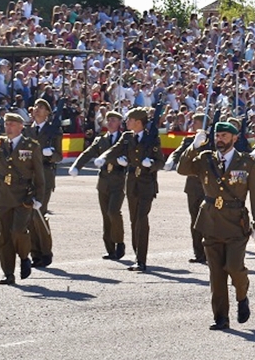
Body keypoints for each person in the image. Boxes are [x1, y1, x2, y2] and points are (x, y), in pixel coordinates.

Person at [176, 122, 255, 330]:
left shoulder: (247, 162)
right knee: (216, 274)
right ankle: (221, 317)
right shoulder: (205, 159)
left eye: (224, 136)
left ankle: (242, 295)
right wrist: (193, 146)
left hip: (236, 223)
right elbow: (182, 169)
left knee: (234, 267)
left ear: (234, 139)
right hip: (211, 221)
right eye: (218, 136)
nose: (220, 140)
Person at [0, 112, 44, 285]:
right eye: (6, 124)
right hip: (3, 195)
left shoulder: (31, 146)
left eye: (12, 124)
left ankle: (24, 256)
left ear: (21, 127)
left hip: (23, 195)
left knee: (18, 231)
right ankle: (8, 273)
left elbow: (39, 175)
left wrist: (39, 198)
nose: (9, 127)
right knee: (5, 236)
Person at [102, 107, 165, 271]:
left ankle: (141, 260)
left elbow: (160, 161)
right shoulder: (127, 137)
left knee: (142, 220)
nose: (127, 122)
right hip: (131, 184)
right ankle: (138, 255)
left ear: (138, 122)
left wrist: (151, 165)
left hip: (146, 184)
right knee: (134, 220)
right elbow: (115, 149)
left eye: (129, 119)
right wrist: (105, 157)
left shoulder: (152, 138)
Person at [70, 110, 128, 260]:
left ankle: (119, 242)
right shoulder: (101, 140)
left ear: (119, 123)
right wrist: (77, 166)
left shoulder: (125, 139)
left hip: (118, 179)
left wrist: (124, 161)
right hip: (103, 181)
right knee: (105, 215)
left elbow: (131, 155)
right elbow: (88, 153)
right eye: (108, 120)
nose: (110, 122)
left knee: (113, 212)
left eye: (114, 120)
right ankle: (110, 249)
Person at [166, 113, 211, 264]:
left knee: (210, 220)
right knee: (195, 220)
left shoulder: (213, 141)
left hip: (209, 186)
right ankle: (199, 253)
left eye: (195, 122)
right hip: (193, 186)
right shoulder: (190, 140)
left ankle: (211, 252)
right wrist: (171, 160)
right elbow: (179, 152)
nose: (191, 124)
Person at [24, 98, 60, 267]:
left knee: (40, 214)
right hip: (29, 176)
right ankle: (35, 253)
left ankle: (46, 252)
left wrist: (50, 154)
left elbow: (59, 156)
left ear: (47, 113)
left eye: (41, 108)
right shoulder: (27, 131)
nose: (37, 110)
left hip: (45, 175)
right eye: (36, 107)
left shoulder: (53, 131)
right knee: (29, 217)